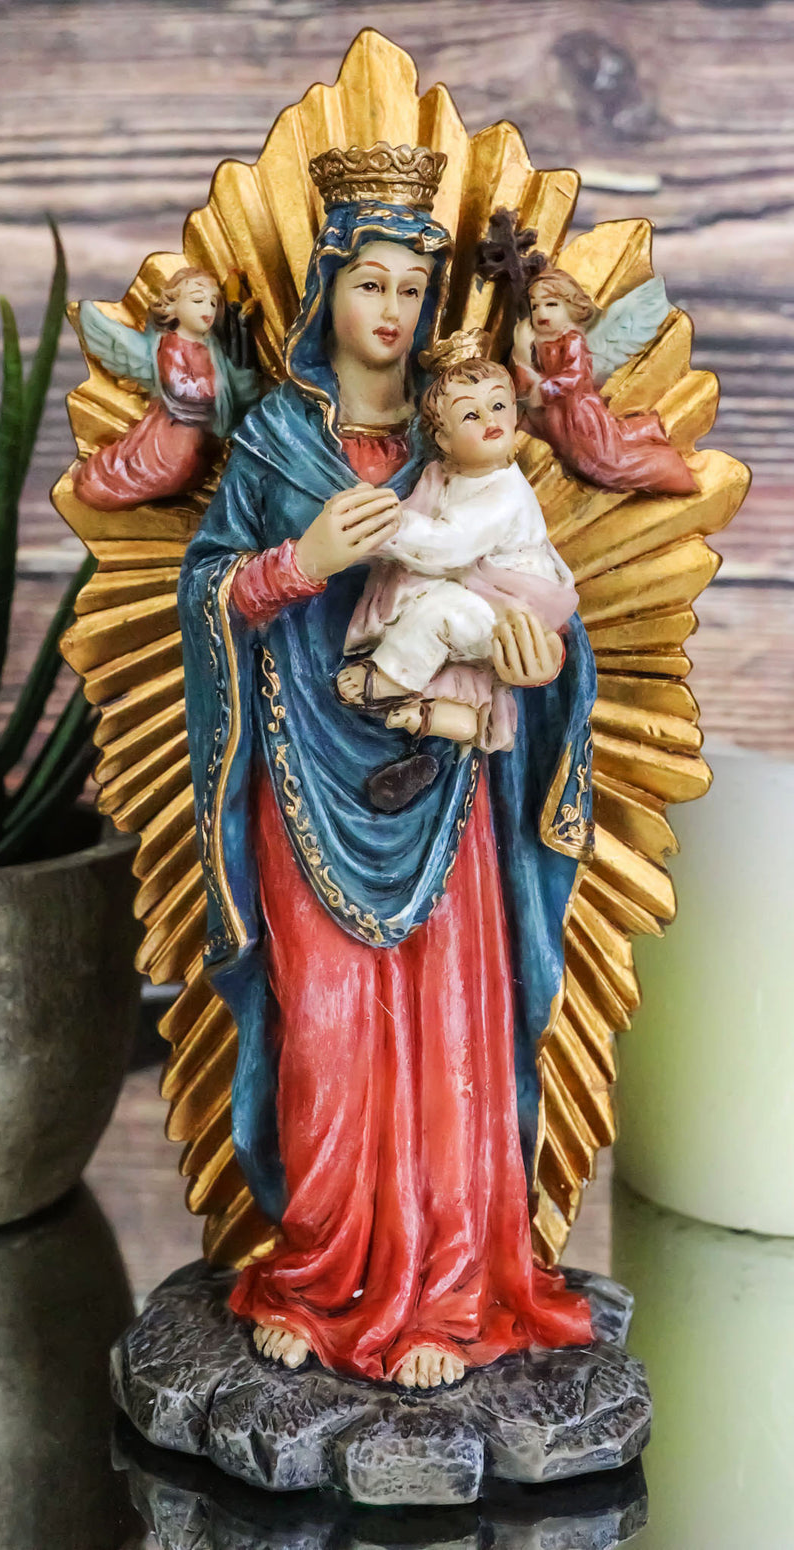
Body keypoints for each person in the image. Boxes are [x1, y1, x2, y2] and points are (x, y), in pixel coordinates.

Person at [178, 147, 596, 1389]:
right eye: (370, 282)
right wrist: (298, 561)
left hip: (443, 782)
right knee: (325, 1031)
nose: (393, 310)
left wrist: (537, 652)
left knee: (452, 1029)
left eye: (414, 288)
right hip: (302, 772)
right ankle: (320, 1272)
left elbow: (538, 589)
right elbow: (205, 595)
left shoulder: (460, 443)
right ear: (327, 288)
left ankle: (449, 1288)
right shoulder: (272, 440)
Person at [337, 334, 578, 754]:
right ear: (445, 441)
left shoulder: (503, 491)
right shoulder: (446, 477)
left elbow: (447, 546)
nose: (489, 418)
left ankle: (389, 679)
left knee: (441, 612)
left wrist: (388, 526)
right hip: (484, 598)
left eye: (498, 405)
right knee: (432, 605)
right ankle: (447, 716)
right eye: (470, 414)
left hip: (509, 616)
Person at [73, 268, 258, 510]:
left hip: (198, 445)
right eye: (198, 300)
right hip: (171, 442)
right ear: (173, 306)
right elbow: (188, 391)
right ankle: (101, 484)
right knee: (147, 474)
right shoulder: (169, 347)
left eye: (214, 302)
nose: (208, 309)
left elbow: (242, 388)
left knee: (181, 470)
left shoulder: (213, 346)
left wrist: (238, 327)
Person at [512, 268, 698, 495]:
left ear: (570, 307)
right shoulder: (539, 341)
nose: (541, 312)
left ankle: (671, 470)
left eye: (551, 304)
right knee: (580, 460)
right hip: (554, 417)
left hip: (577, 417)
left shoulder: (572, 341)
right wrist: (522, 350)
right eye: (535, 306)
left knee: (605, 467)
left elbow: (575, 377)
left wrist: (543, 389)